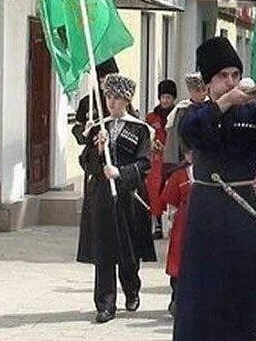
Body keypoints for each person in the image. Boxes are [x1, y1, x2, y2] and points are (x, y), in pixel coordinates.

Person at [175, 37, 256, 340]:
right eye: (222, 76)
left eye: (234, 75)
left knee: (247, 277)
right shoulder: (194, 113)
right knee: (206, 282)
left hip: (244, 206)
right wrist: (226, 101)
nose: (230, 82)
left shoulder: (254, 112)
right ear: (208, 81)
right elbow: (192, 134)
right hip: (207, 210)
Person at [76, 73, 157, 324]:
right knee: (104, 250)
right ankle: (105, 303)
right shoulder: (99, 128)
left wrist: (121, 172)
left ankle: (131, 288)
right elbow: (85, 163)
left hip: (128, 195)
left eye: (117, 98)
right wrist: (97, 150)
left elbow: (145, 162)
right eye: (108, 97)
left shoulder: (140, 129)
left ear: (127, 99)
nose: (111, 102)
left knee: (128, 249)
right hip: (101, 196)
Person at [160, 149, 193, 317]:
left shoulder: (212, 172)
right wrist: (170, 224)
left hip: (206, 223)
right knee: (178, 264)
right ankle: (177, 300)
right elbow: (171, 203)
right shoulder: (179, 175)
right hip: (182, 223)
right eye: (189, 151)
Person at [145, 79, 177, 239]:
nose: (165, 100)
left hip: (173, 158)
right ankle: (157, 224)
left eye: (168, 97)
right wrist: (153, 143)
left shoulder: (177, 114)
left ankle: (173, 222)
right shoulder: (151, 117)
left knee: (173, 189)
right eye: (163, 97)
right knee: (154, 189)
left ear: (173, 98)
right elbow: (146, 135)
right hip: (156, 158)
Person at [163, 73, 207, 166]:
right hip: (184, 155)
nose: (202, 93)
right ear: (190, 91)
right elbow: (173, 132)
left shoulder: (211, 106)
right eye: (197, 90)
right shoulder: (182, 109)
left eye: (204, 89)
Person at [71, 58, 118, 145]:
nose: (106, 85)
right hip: (93, 153)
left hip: (116, 153)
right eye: (102, 81)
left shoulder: (121, 101)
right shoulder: (87, 102)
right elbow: (78, 132)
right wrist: (85, 130)